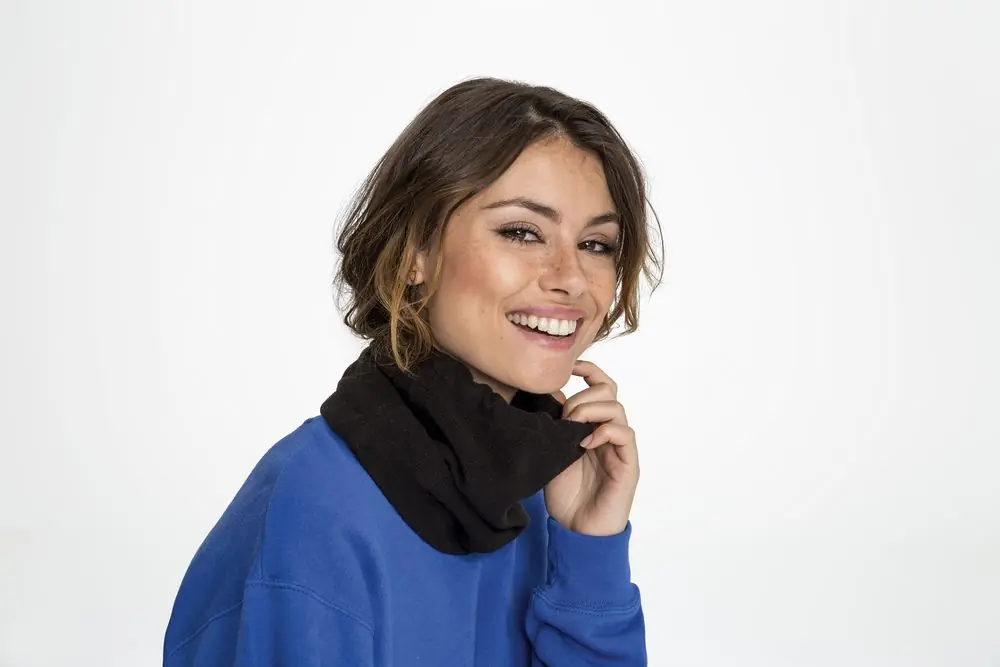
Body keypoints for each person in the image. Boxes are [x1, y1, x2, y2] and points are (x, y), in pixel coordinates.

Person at [163, 76, 662, 666]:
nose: (572, 279)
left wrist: (589, 552)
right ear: (414, 254)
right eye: (522, 233)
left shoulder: (538, 489)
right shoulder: (317, 509)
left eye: (597, 244)